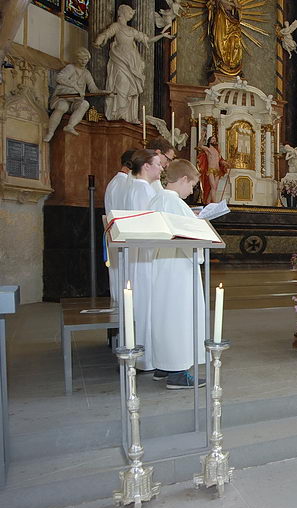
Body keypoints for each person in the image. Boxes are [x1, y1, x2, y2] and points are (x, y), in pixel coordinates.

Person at [148, 160, 207, 389]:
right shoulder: (175, 202)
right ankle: (178, 373)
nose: (191, 191)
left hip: (162, 267)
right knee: (180, 318)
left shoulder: (157, 199)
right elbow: (188, 238)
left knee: (165, 317)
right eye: (191, 185)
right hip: (178, 271)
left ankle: (164, 365)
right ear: (183, 179)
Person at [94, 4, 173, 123]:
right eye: (129, 12)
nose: (131, 15)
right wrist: (98, 40)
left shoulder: (132, 31)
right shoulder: (116, 26)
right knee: (121, 83)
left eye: (132, 13)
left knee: (132, 88)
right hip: (120, 58)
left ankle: (130, 115)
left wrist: (162, 35)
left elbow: (147, 40)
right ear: (122, 12)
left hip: (132, 61)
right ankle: (119, 113)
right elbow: (106, 33)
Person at [126, 149, 163, 371]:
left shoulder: (140, 187)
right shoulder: (142, 189)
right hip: (146, 255)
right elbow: (149, 223)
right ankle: (146, 358)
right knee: (146, 305)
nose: (161, 168)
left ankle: (146, 356)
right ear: (146, 166)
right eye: (158, 164)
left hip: (143, 253)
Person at [43, 48, 107, 142]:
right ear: (77, 58)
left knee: (85, 104)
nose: (83, 61)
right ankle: (50, 132)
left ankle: (70, 126)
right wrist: (74, 86)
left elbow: (93, 89)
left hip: (75, 100)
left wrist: (103, 92)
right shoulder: (71, 68)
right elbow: (59, 78)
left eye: (86, 59)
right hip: (64, 97)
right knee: (62, 107)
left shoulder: (86, 73)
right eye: (81, 59)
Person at [104, 150, 135, 305]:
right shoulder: (125, 184)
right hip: (123, 236)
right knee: (124, 277)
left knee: (117, 277)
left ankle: (119, 307)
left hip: (115, 235)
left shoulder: (114, 182)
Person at [198, 135, 229, 204]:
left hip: (217, 171)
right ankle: (214, 203)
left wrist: (226, 163)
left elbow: (220, 161)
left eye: (215, 139)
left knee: (215, 187)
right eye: (212, 139)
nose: (214, 141)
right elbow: (200, 145)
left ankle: (208, 201)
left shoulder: (217, 151)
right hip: (211, 170)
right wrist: (202, 136)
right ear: (209, 141)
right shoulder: (208, 149)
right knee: (213, 186)